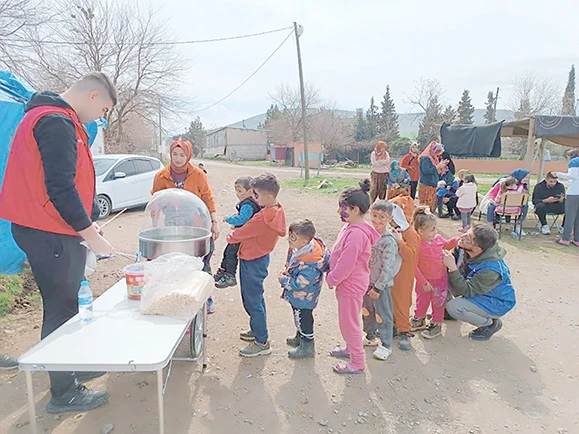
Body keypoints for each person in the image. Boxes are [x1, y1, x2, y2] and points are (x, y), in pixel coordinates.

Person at [0, 72, 116, 414]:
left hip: (50, 229)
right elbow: (60, 188)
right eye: (104, 109)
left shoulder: (53, 117)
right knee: (62, 310)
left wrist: (87, 224)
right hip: (47, 231)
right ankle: (63, 392)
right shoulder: (55, 121)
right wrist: (92, 236)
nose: (100, 117)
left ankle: (70, 365)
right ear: (93, 96)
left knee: (65, 306)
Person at [152, 137, 220, 313]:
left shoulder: (197, 174)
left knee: (201, 262)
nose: (178, 158)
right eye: (174, 154)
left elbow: (207, 198)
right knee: (176, 261)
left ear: (188, 155)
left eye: (182, 154)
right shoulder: (161, 176)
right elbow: (156, 202)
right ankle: (179, 296)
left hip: (197, 224)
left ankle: (206, 298)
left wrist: (214, 222)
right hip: (172, 225)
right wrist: (155, 227)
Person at [227, 173, 287, 357]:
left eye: (256, 195)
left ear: (268, 196)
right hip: (260, 256)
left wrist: (231, 236)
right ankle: (257, 330)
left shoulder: (263, 217)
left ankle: (262, 341)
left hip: (251, 258)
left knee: (252, 299)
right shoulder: (276, 210)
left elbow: (242, 232)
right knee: (256, 297)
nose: (254, 199)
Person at [327, 180, 380, 374]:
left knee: (349, 323)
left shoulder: (357, 234)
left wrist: (332, 279)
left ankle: (357, 362)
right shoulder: (350, 227)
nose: (340, 212)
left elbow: (347, 264)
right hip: (348, 284)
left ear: (356, 209)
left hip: (350, 284)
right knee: (350, 320)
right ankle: (350, 349)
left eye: (343, 208)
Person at [444, 225, 516, 341]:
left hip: (496, 301)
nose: (462, 237)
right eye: (465, 233)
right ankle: (447, 312)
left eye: (467, 238)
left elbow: (467, 291)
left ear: (478, 248)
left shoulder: (491, 269)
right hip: (479, 291)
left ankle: (489, 324)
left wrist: (452, 267)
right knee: (443, 273)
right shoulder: (464, 249)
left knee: (455, 307)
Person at [279, 219, 329, 359]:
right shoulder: (299, 249)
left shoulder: (310, 263)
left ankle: (307, 346)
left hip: (304, 297)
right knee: (298, 318)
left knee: (303, 320)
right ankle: (299, 337)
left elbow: (299, 284)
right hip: (300, 297)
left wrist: (283, 280)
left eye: (293, 237)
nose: (289, 239)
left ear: (304, 241)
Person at [362, 200, 401, 361]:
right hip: (365, 282)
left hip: (380, 287)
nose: (377, 220)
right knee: (367, 312)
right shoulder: (369, 234)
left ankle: (386, 344)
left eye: (382, 217)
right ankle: (370, 336)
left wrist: (378, 288)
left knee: (383, 314)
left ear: (390, 218)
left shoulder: (388, 241)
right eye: (375, 215)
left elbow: (388, 268)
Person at [412, 208, 460, 339]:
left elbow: (447, 245)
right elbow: (414, 267)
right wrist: (423, 282)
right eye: (432, 229)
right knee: (421, 301)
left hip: (440, 279)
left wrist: (456, 240)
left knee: (439, 301)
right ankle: (419, 318)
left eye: (436, 228)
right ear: (420, 231)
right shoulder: (417, 245)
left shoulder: (438, 239)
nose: (436, 231)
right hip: (425, 281)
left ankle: (436, 323)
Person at [214, 177, 261, 288]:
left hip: (242, 235)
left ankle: (230, 275)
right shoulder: (250, 203)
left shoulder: (247, 205)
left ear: (249, 191)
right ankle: (223, 271)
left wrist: (229, 219)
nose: (237, 194)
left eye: (240, 191)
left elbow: (242, 219)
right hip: (242, 233)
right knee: (227, 251)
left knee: (231, 253)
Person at [389, 198, 418, 351]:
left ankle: (404, 330)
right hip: (390, 273)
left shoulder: (410, 233)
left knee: (402, 302)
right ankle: (393, 326)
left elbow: (410, 255)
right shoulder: (391, 230)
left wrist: (400, 241)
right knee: (389, 300)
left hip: (403, 275)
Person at [419, 141, 448, 212]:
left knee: (431, 205)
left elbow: (435, 170)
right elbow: (426, 171)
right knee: (425, 206)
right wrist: (438, 166)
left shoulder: (434, 159)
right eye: (437, 152)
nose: (437, 155)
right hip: (426, 185)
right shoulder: (425, 158)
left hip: (432, 185)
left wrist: (442, 168)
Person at [556, 157, 579, 246]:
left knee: (570, 216)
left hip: (573, 192)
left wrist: (557, 174)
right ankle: (577, 239)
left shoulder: (574, 162)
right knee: (578, 217)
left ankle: (565, 238)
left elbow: (572, 176)